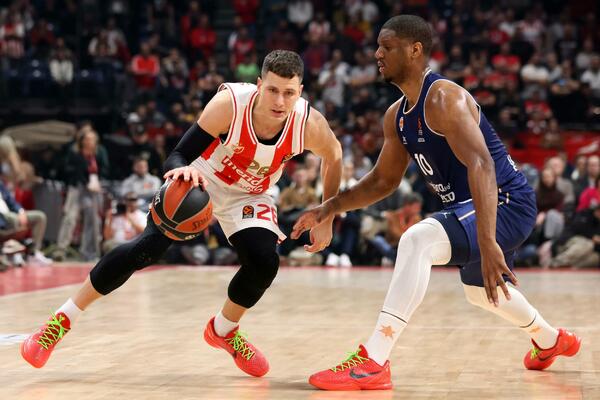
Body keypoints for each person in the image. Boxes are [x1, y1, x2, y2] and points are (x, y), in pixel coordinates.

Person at [292, 15, 581, 391]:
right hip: (469, 206)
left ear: (415, 51)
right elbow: (382, 181)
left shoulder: (444, 98)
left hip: (506, 201)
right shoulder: (396, 116)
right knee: (480, 294)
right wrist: (329, 207)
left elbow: (482, 165)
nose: (377, 54)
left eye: (387, 47)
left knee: (418, 240)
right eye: (378, 46)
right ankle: (550, 339)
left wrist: (488, 240)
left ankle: (374, 361)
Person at [21, 50, 343, 378]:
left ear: (300, 92)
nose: (280, 101)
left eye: (289, 93)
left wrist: (327, 215)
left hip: (250, 192)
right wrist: (182, 170)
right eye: (272, 90)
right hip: (203, 178)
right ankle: (60, 322)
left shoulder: (309, 124)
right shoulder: (230, 105)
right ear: (259, 85)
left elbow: (334, 156)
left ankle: (223, 330)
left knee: (265, 261)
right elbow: (178, 155)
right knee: (147, 248)